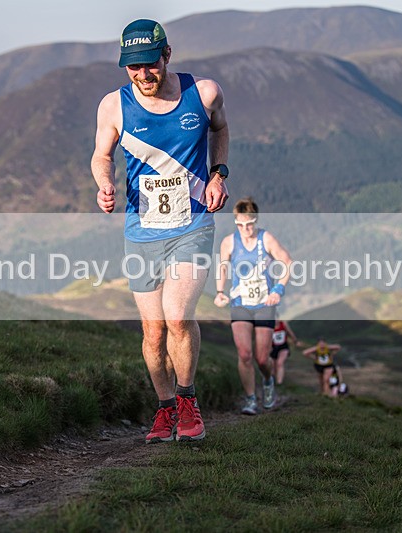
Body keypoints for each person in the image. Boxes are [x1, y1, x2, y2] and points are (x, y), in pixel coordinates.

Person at [91, 19, 229, 443]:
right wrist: (105, 184)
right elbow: (101, 155)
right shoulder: (113, 106)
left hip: (193, 223)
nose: (143, 74)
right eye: (133, 67)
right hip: (142, 229)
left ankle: (187, 401)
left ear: (166, 55)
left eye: (150, 64)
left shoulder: (203, 93)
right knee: (153, 332)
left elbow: (220, 128)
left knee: (178, 317)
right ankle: (165, 407)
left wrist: (219, 173)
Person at [214, 197, 293, 415]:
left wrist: (278, 290)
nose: (245, 229)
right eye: (240, 225)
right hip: (240, 303)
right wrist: (220, 292)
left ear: (255, 220)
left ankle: (268, 380)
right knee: (245, 354)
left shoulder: (265, 238)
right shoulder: (229, 242)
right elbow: (222, 268)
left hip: (264, 303)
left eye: (249, 224)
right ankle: (250, 399)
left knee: (262, 358)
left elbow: (287, 262)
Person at [271, 320, 303, 386]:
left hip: (283, 347)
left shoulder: (283, 324)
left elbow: (290, 333)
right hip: (273, 347)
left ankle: (279, 382)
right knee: (273, 366)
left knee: (280, 363)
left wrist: (295, 341)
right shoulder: (269, 325)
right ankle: (273, 380)